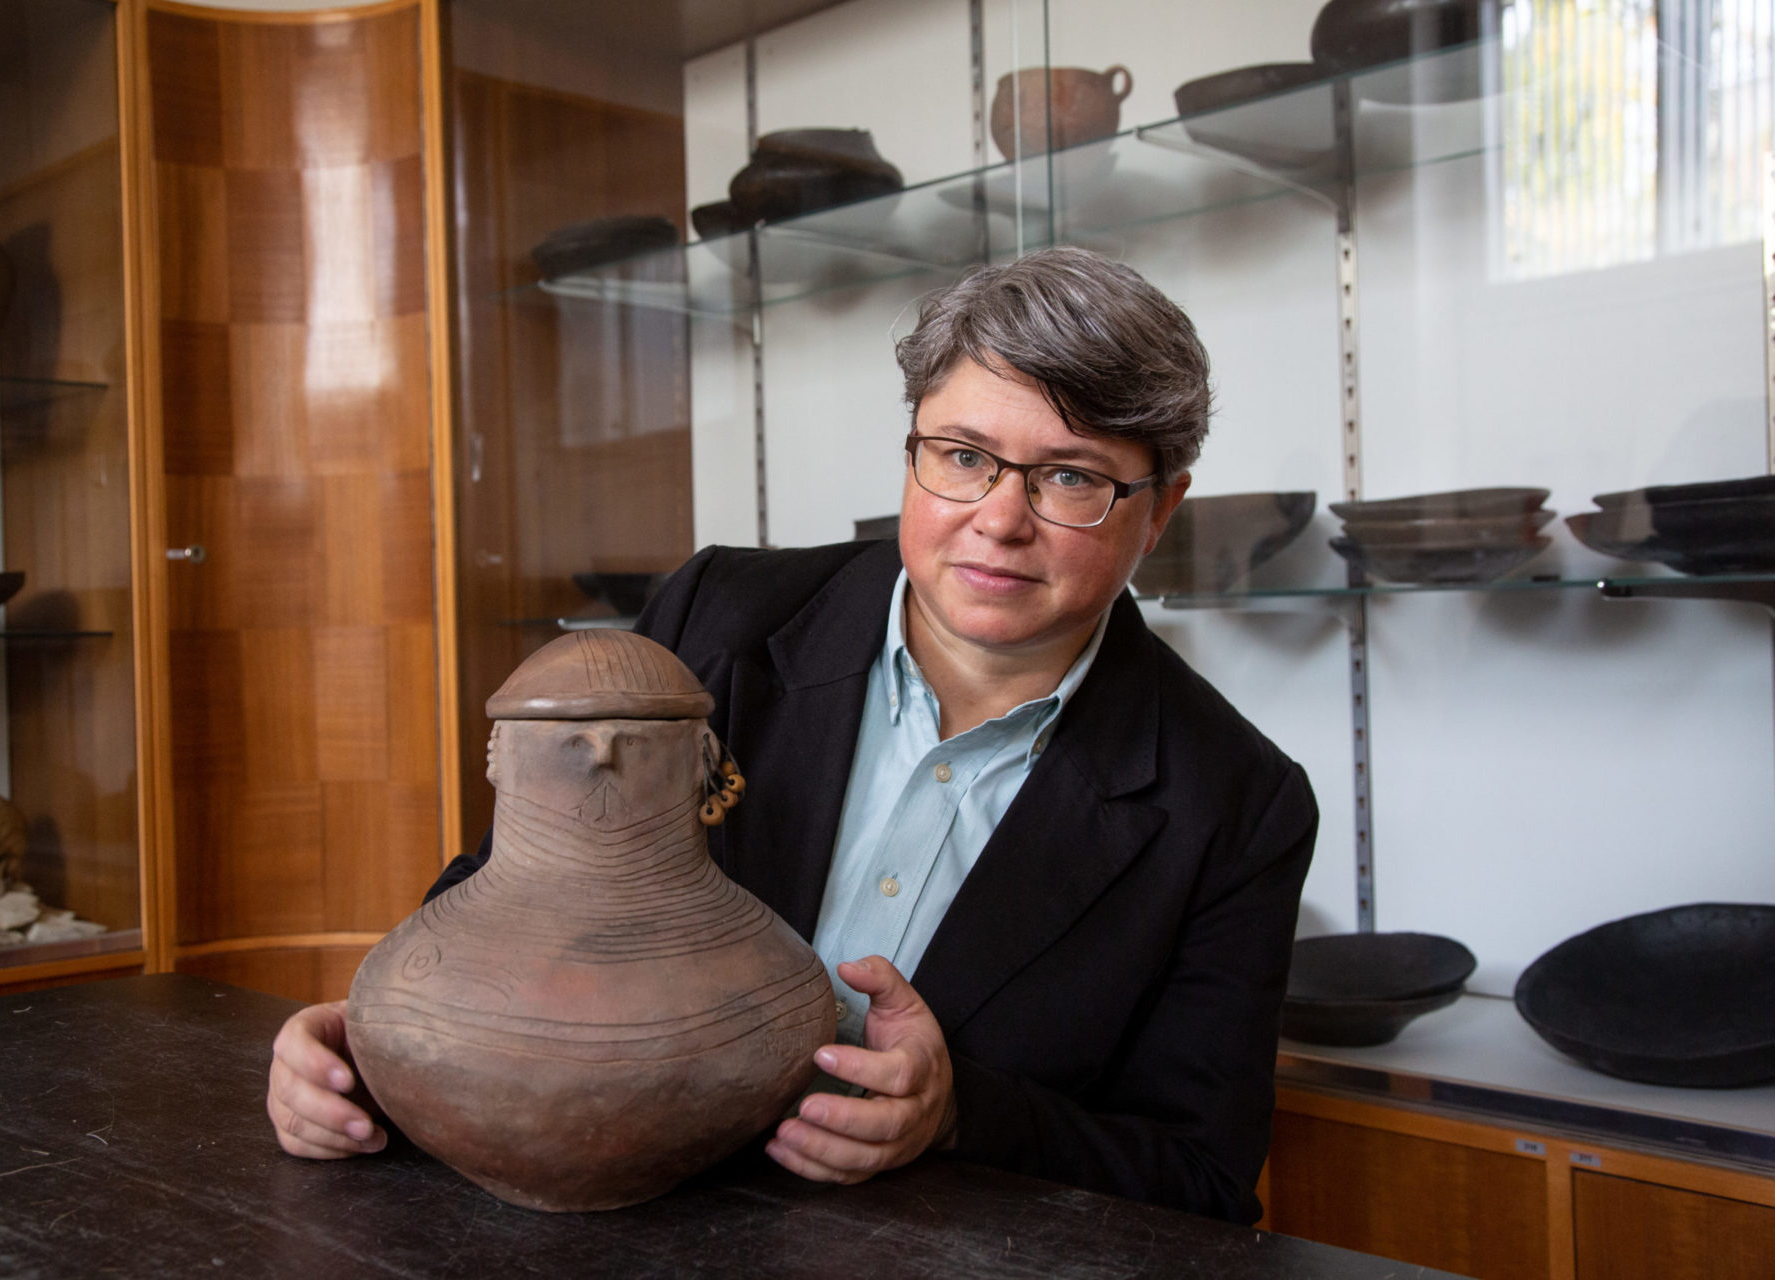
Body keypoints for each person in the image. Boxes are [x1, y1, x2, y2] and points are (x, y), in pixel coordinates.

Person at [267, 245, 1318, 1224]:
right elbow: (510, 894)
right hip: (620, 1217)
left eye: (1073, 478)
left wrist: (957, 1111)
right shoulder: (717, 619)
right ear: (913, 446)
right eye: (962, 454)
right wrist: (359, 1048)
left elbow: (1202, 1175)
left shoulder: (1233, 800)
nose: (999, 518)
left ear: (1162, 506)